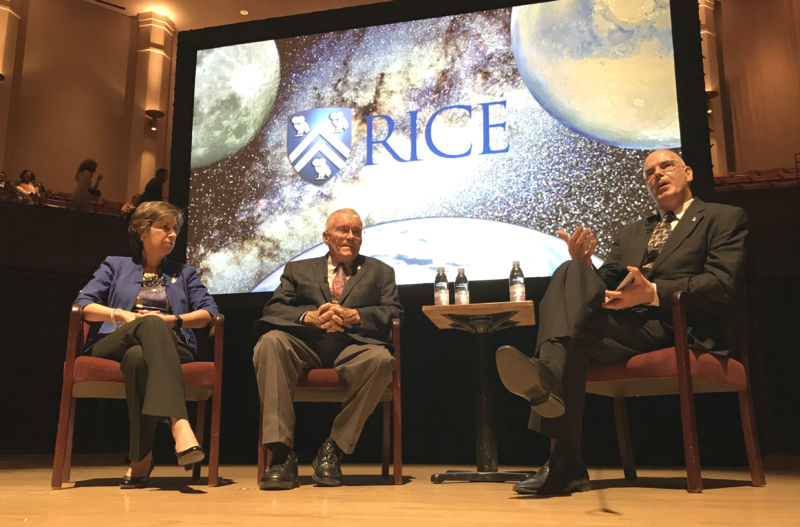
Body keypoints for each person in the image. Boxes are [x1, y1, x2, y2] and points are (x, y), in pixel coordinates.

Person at [495, 150, 748, 496]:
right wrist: (584, 265)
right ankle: (554, 397)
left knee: (568, 343)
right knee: (570, 278)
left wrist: (655, 293)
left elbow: (722, 283)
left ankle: (562, 452)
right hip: (624, 325)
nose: (657, 175)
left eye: (666, 166)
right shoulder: (633, 232)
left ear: (688, 172)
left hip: (673, 325)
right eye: (649, 173)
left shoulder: (722, 217)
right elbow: (603, 283)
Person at [252, 208, 403, 490]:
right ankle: (281, 454)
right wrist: (309, 317)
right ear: (326, 236)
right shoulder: (298, 270)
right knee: (270, 342)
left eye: (356, 232)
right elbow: (273, 309)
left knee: (382, 360)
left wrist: (353, 316)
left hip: (354, 346)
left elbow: (393, 313)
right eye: (342, 230)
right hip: (305, 344)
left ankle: (334, 449)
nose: (350, 236)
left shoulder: (381, 272)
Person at [74, 200, 219, 489]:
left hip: (171, 345)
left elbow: (209, 313)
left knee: (140, 358)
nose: (172, 234)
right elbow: (83, 305)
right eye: (164, 227)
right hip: (114, 341)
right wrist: (120, 314)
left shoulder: (185, 272)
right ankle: (179, 422)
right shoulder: (115, 265)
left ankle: (141, 458)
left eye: (174, 229)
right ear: (142, 231)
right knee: (148, 324)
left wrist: (173, 321)